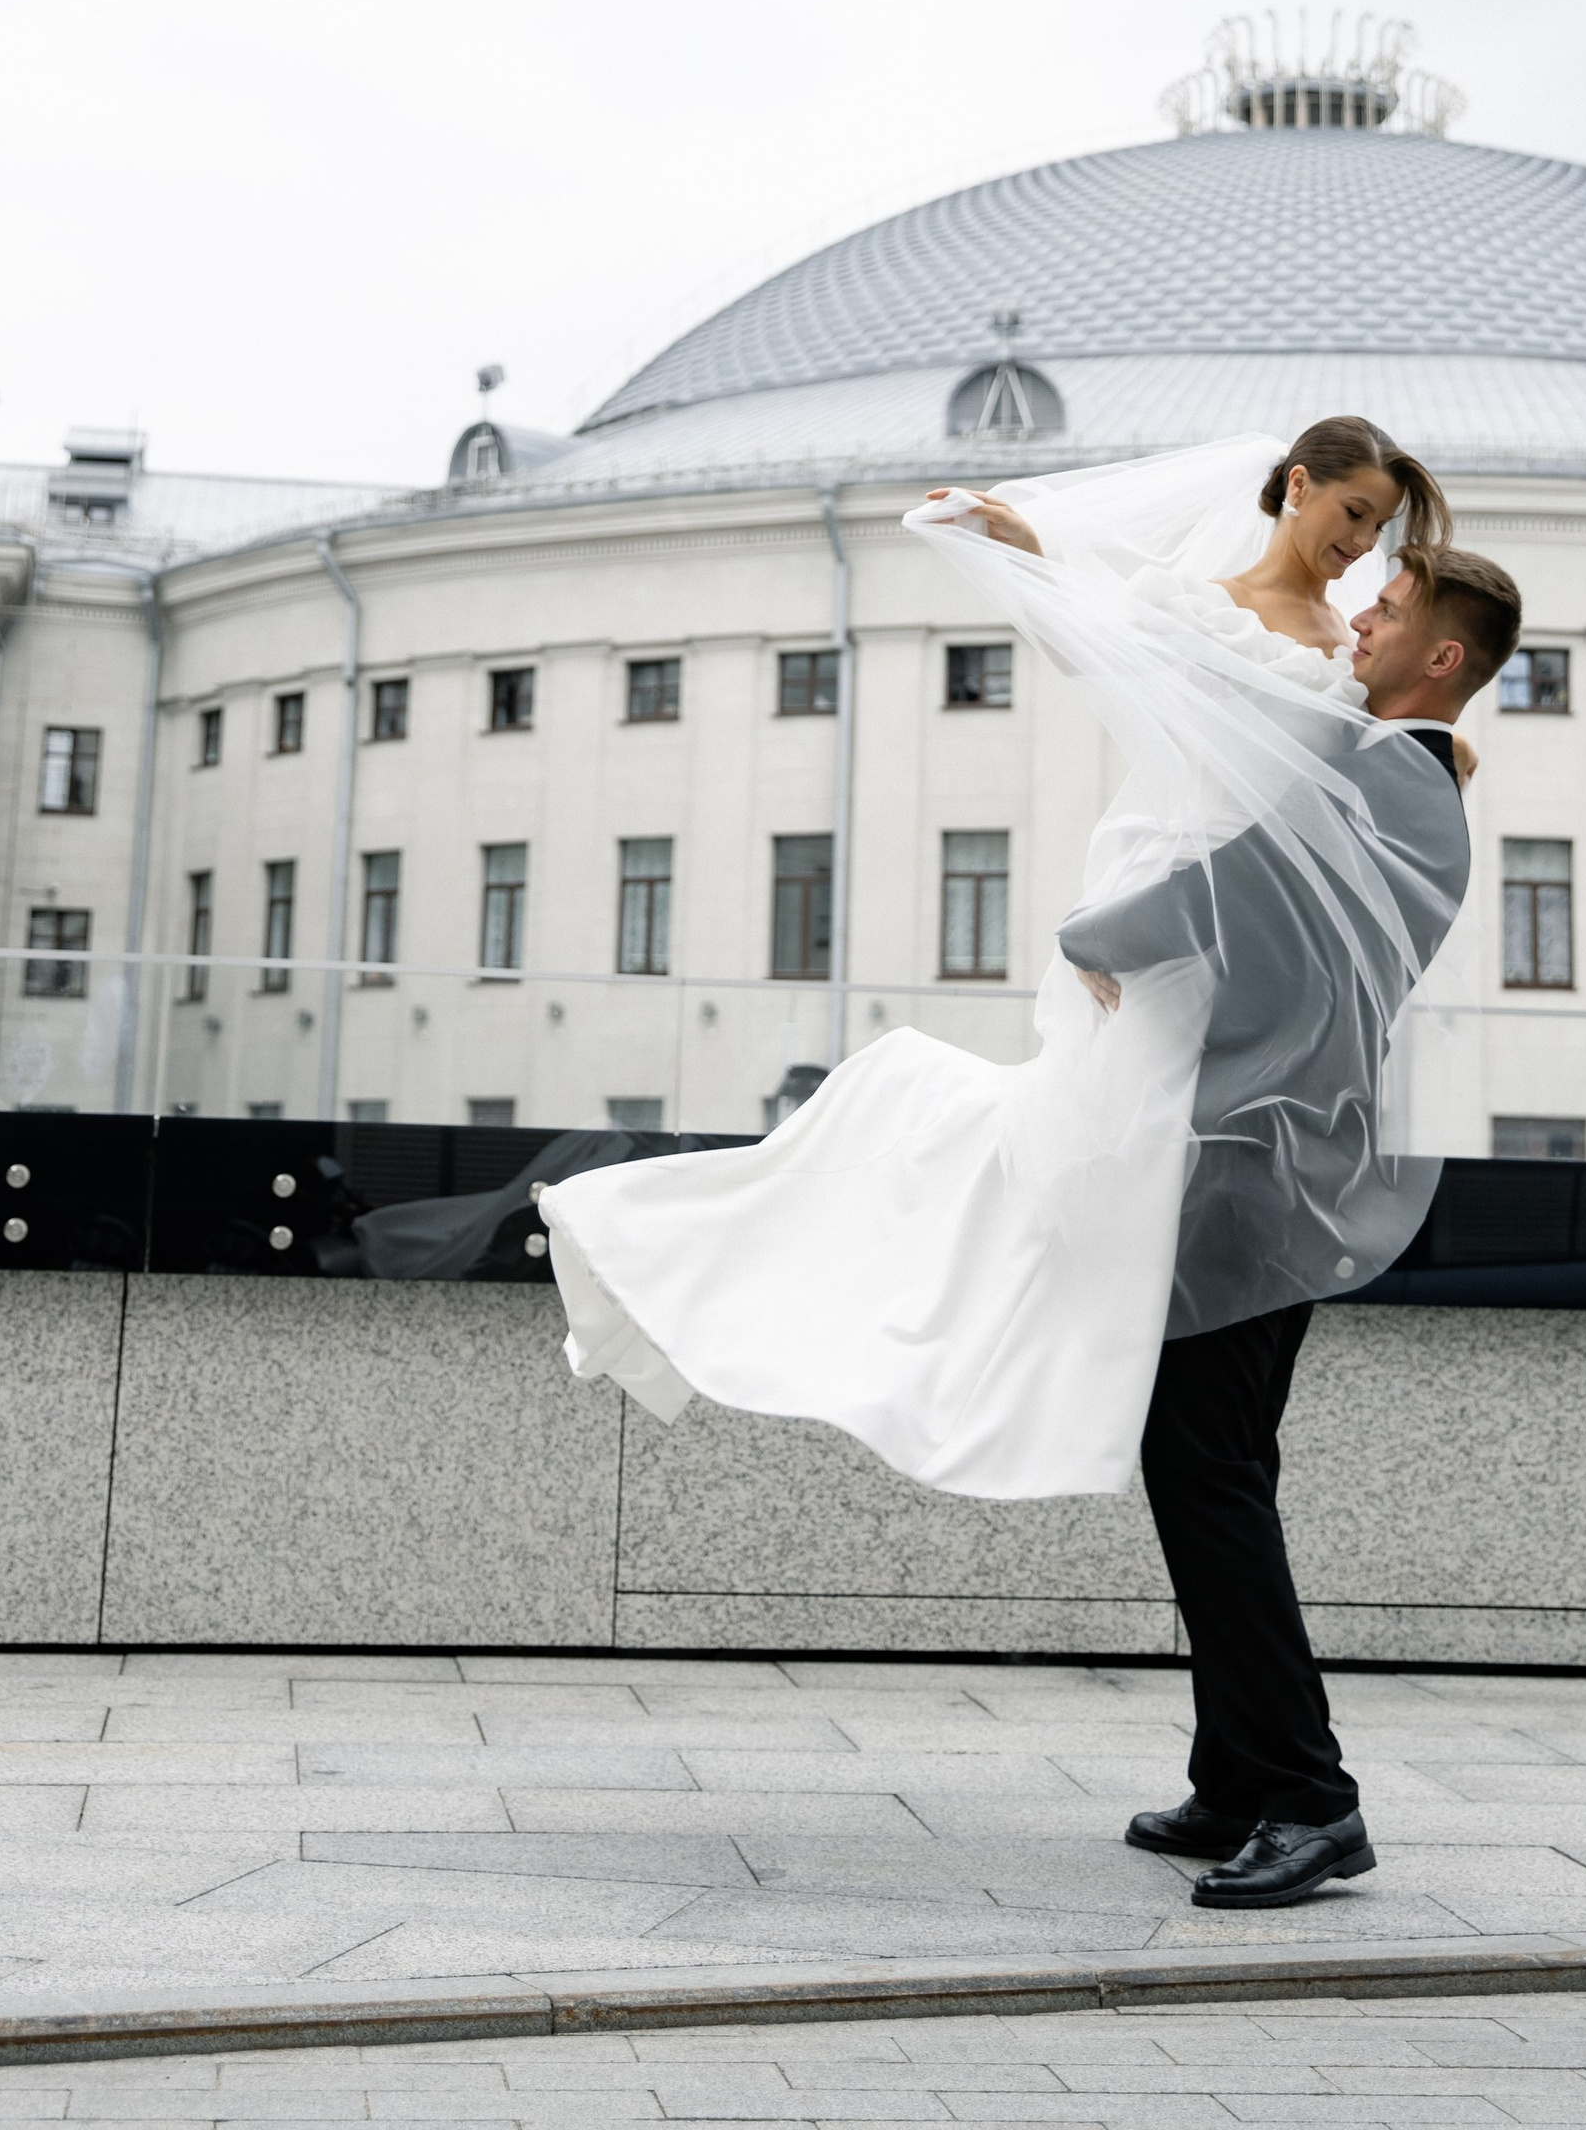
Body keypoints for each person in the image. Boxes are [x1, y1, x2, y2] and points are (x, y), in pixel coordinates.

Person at [536, 418, 1494, 1534]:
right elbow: (1099, 635)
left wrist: (1447, 744)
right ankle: (806, 1280)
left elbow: (1376, 759)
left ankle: (1149, 1403)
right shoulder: (1206, 609)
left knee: (1132, 1166)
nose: (1361, 546)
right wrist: (1018, 541)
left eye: (1377, 528)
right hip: (1170, 899)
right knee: (1083, 1154)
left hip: (1245, 920)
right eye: (1351, 515)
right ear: (1294, 489)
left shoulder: (1349, 649)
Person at [1063, 533, 1523, 1911]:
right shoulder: (1416, 781)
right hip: (1282, 1157)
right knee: (1218, 1464)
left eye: (1385, 611)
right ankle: (1238, 1778)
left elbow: (1237, 888)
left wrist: (1094, 936)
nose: (1358, 624)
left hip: (1260, 1165)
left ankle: (1313, 1797)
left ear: (1442, 655)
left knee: (1204, 1470)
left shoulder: (1385, 771)